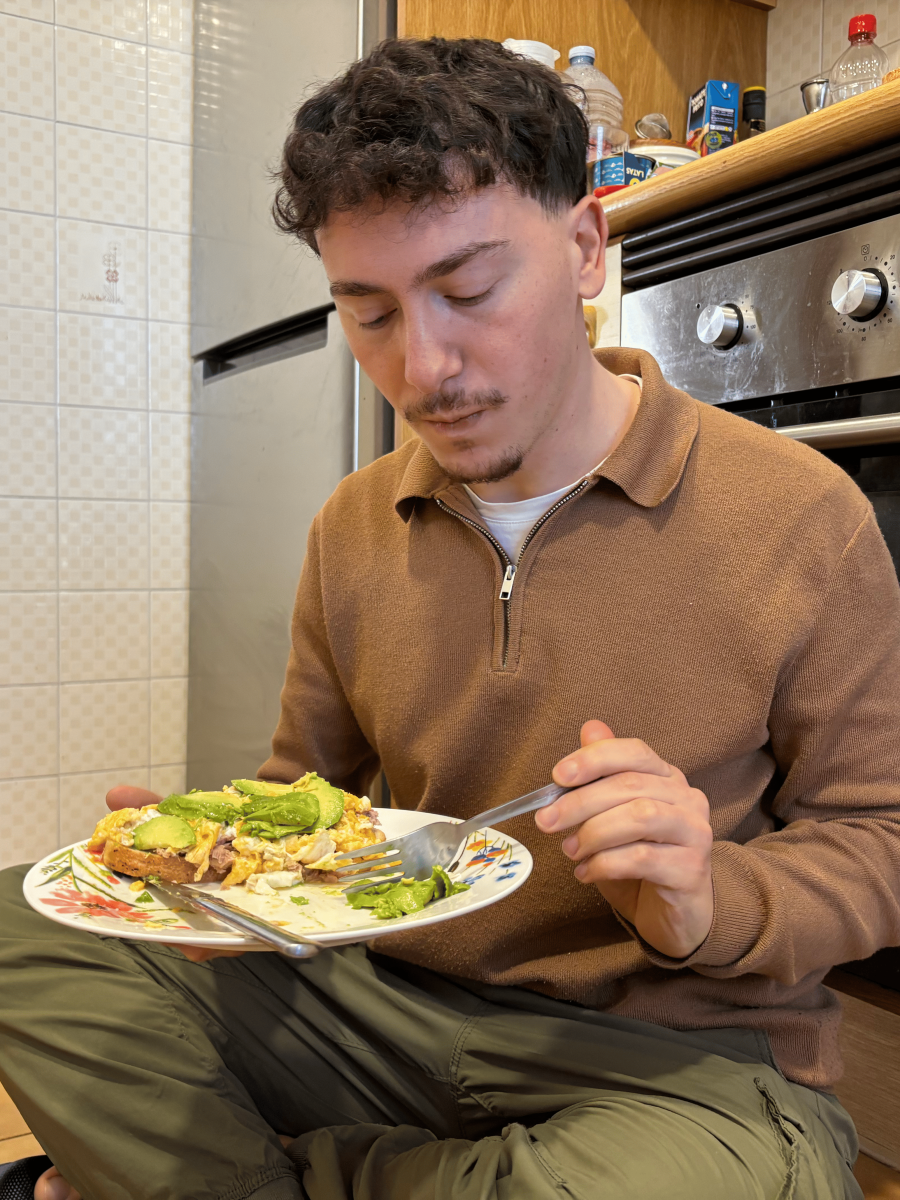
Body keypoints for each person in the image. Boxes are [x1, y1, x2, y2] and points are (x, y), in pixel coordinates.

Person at [2, 37, 900, 1200]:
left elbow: (879, 841)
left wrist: (709, 897)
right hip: (387, 1013)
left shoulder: (799, 515)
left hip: (679, 1070)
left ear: (585, 247)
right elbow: (308, 796)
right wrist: (211, 860)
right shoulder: (354, 525)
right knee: (37, 932)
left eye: (470, 291)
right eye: (368, 314)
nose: (424, 369)